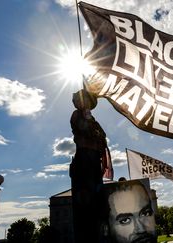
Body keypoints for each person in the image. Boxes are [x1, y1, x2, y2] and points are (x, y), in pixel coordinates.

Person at [70, 89, 110, 243]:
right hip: (83, 158)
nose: (85, 103)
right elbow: (81, 128)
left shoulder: (94, 120)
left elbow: (103, 137)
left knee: (97, 194)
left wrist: (98, 137)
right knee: (85, 197)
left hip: (94, 160)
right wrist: (92, 132)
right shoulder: (76, 115)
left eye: (87, 101)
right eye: (83, 100)